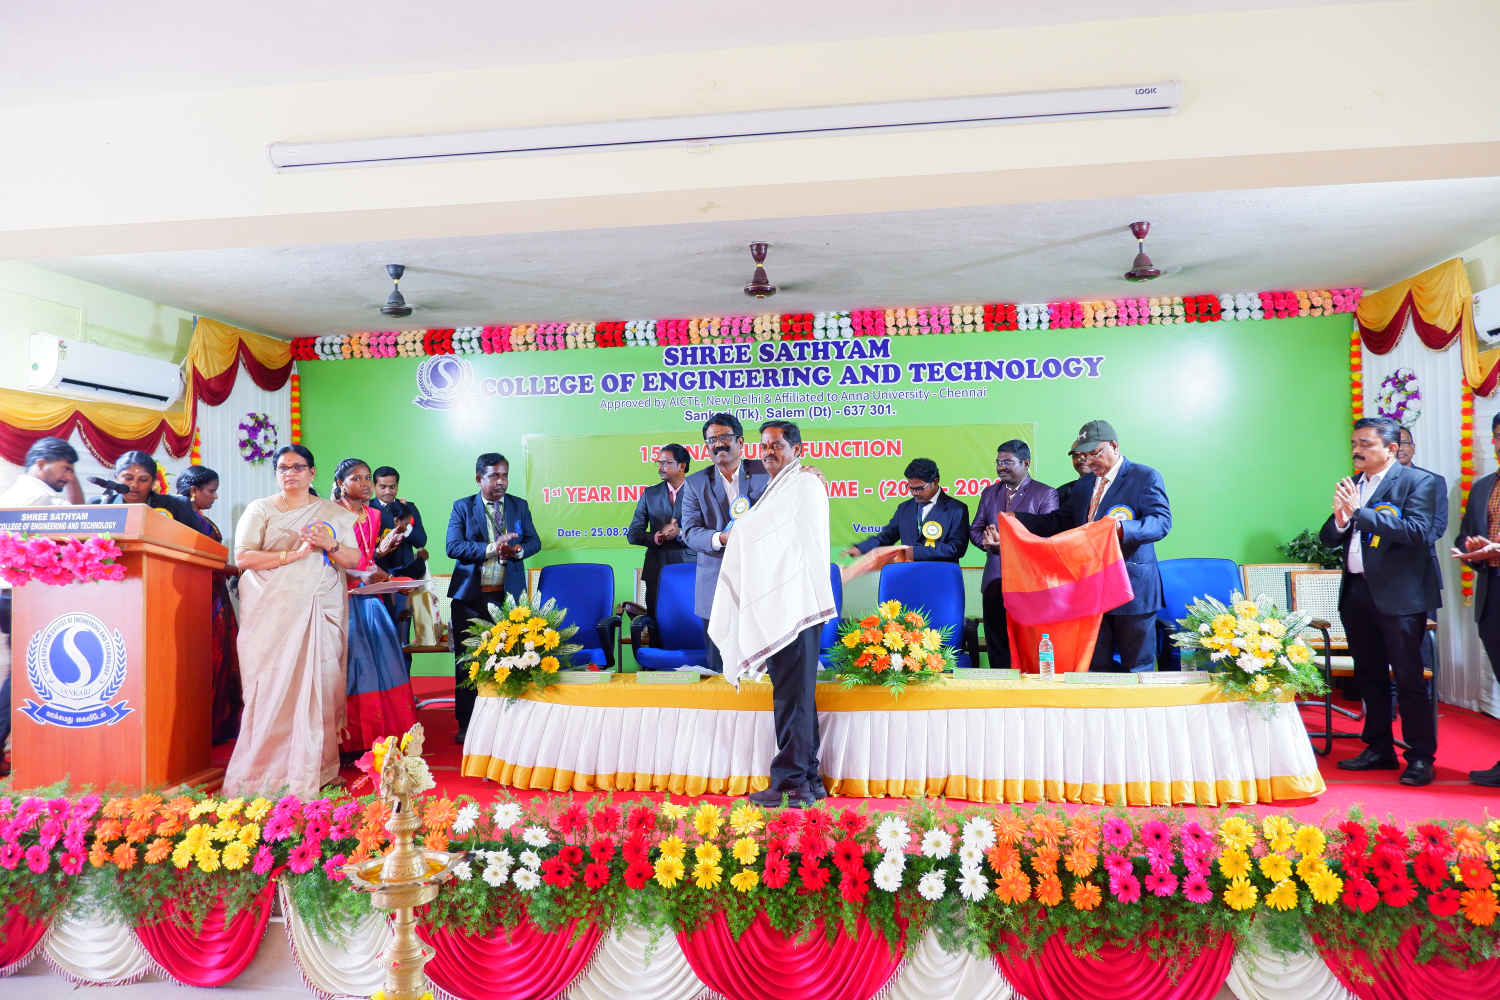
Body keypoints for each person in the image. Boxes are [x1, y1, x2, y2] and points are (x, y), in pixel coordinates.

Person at [223, 445, 362, 800]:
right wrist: (293, 555)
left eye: (298, 467)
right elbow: (243, 556)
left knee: (321, 685)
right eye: (283, 468)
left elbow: (352, 560)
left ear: (312, 472)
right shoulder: (260, 509)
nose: (290, 474)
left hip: (318, 609)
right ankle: (263, 774)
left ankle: (319, 770)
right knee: (271, 688)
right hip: (272, 613)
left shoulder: (331, 513)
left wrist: (329, 544)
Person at [710, 420, 836, 808]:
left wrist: (739, 530)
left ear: (797, 449)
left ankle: (791, 783)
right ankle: (808, 779)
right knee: (797, 697)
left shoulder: (804, 484)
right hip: (788, 607)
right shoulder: (782, 485)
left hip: (795, 608)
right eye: (764, 446)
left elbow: (759, 533)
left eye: (777, 446)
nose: (768, 452)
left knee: (792, 699)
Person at [1320, 416, 1441, 787]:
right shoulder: (1355, 483)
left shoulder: (1419, 482)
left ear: (1391, 448)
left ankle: (1420, 757)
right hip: (1357, 592)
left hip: (1400, 595)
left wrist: (1359, 512)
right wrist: (1342, 519)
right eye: (1354, 443)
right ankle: (1378, 748)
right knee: (1368, 675)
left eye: (1366, 443)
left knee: (1408, 677)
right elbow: (1329, 537)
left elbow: (1419, 532)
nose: (1357, 450)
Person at [1016, 420, 1171, 673]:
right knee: (1096, 669)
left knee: (1137, 670)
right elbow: (1061, 521)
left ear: (1114, 446)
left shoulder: (1144, 476)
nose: (1088, 460)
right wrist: (1016, 520)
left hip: (1132, 588)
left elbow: (1161, 523)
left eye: (1094, 453)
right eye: (1083, 455)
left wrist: (1121, 529)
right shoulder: (1085, 484)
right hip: (1092, 589)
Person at [445, 452, 541, 741]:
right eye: (494, 476)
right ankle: (467, 724)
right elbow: (453, 546)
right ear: (479, 478)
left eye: (505, 475)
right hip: (471, 599)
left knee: (511, 659)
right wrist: (491, 548)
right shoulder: (463, 507)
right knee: (468, 663)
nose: (501, 481)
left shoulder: (518, 505)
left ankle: (508, 722)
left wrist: (519, 551)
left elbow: (534, 541)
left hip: (508, 598)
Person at [0, 436, 81, 774]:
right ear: (41, 463)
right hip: (20, 593)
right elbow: (84, 522)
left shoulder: (20, 491)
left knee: (18, 672)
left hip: (11, 591)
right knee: (25, 673)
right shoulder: (39, 497)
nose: (68, 476)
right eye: (65, 468)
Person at [332, 458, 418, 759]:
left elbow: (368, 556)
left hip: (371, 599)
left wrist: (383, 551)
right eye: (357, 478)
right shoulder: (332, 513)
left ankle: (382, 736)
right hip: (342, 597)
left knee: (385, 663)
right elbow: (330, 558)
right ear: (341, 484)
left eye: (367, 477)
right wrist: (362, 573)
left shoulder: (373, 514)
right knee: (355, 666)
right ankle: (349, 740)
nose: (365, 484)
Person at [680, 414, 770, 673]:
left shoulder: (765, 471)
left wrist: (809, 472)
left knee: (764, 668)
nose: (718, 444)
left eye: (725, 437)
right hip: (715, 587)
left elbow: (792, 482)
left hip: (762, 585)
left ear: (740, 442)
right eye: (712, 440)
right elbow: (690, 532)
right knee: (721, 670)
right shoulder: (695, 483)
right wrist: (721, 538)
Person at [970, 440, 1060, 669]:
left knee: (1031, 646)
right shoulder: (990, 493)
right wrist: (987, 543)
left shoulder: (1045, 494)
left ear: (1026, 463)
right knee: (997, 646)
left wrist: (1005, 546)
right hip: (994, 582)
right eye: (998, 462)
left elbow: (1047, 540)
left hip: (1030, 583)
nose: (1001, 467)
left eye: (1007, 462)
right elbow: (975, 530)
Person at [175, 465, 243, 744]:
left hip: (215, 592)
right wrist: (235, 569)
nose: (215, 497)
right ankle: (205, 728)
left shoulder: (199, 518)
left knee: (222, 656)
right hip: (201, 596)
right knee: (209, 658)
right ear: (194, 491)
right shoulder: (183, 520)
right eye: (211, 491)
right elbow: (199, 560)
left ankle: (220, 726)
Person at [1452, 413, 1500, 788]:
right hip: (1493, 591)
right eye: (1498, 436)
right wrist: (1473, 548)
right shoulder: (1484, 486)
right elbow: (1465, 535)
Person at [843, 458, 970, 562]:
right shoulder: (904, 508)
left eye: (919, 488)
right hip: (908, 576)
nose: (914, 493)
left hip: (942, 577)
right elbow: (885, 537)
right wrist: (860, 548)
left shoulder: (957, 509)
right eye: (910, 487)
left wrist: (916, 552)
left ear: (935, 482)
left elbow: (956, 548)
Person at [1396, 425, 1447, 675]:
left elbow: (1437, 526)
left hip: (1421, 571)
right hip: (1384, 576)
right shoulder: (1375, 482)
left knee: (1422, 637)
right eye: (1395, 443)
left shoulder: (1433, 481)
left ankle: (1426, 692)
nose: (1400, 448)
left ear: (1413, 448)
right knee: (1390, 639)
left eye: (1405, 442)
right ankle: (1392, 692)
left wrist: (1404, 543)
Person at [626, 443, 696, 617]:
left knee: (690, 622)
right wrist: (654, 538)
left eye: (666, 463)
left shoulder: (698, 491)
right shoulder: (649, 494)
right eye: (659, 463)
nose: (661, 467)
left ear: (682, 466)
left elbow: (709, 531)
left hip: (690, 568)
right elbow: (633, 534)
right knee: (656, 623)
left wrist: (680, 533)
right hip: (656, 570)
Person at [101, 450, 198, 528]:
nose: (134, 485)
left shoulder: (178, 506)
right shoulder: (101, 506)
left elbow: (199, 542)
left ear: (153, 482)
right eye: (128, 478)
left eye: (143, 479)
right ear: (116, 478)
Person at [0, 436, 82, 507]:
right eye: (66, 469)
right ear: (41, 464)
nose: (70, 478)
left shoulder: (13, 494)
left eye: (71, 472)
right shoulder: (43, 499)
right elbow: (79, 515)